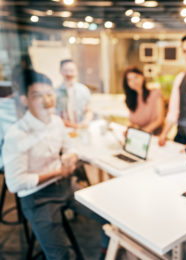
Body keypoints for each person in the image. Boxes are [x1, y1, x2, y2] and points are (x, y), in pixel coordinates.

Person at [2, 70, 108, 259]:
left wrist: (70, 157)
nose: (47, 99)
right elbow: (15, 183)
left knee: (108, 217)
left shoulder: (56, 122)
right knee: (60, 255)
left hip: (64, 185)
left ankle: (105, 253)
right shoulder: (16, 134)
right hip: (37, 197)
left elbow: (70, 147)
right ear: (25, 99)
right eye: (38, 95)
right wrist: (60, 171)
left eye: (49, 94)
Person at [123, 66, 164, 134]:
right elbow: (132, 120)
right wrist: (129, 129)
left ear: (142, 77)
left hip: (154, 136)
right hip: (140, 135)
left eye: (136, 77)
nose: (134, 82)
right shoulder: (131, 98)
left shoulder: (155, 94)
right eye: (130, 80)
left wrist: (142, 132)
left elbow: (160, 120)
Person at [55, 59, 93, 129]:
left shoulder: (83, 90)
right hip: (62, 129)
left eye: (72, 71)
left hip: (81, 129)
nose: (69, 74)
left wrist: (85, 122)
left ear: (76, 72)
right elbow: (53, 115)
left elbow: (88, 110)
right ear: (60, 71)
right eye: (66, 71)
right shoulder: (55, 93)